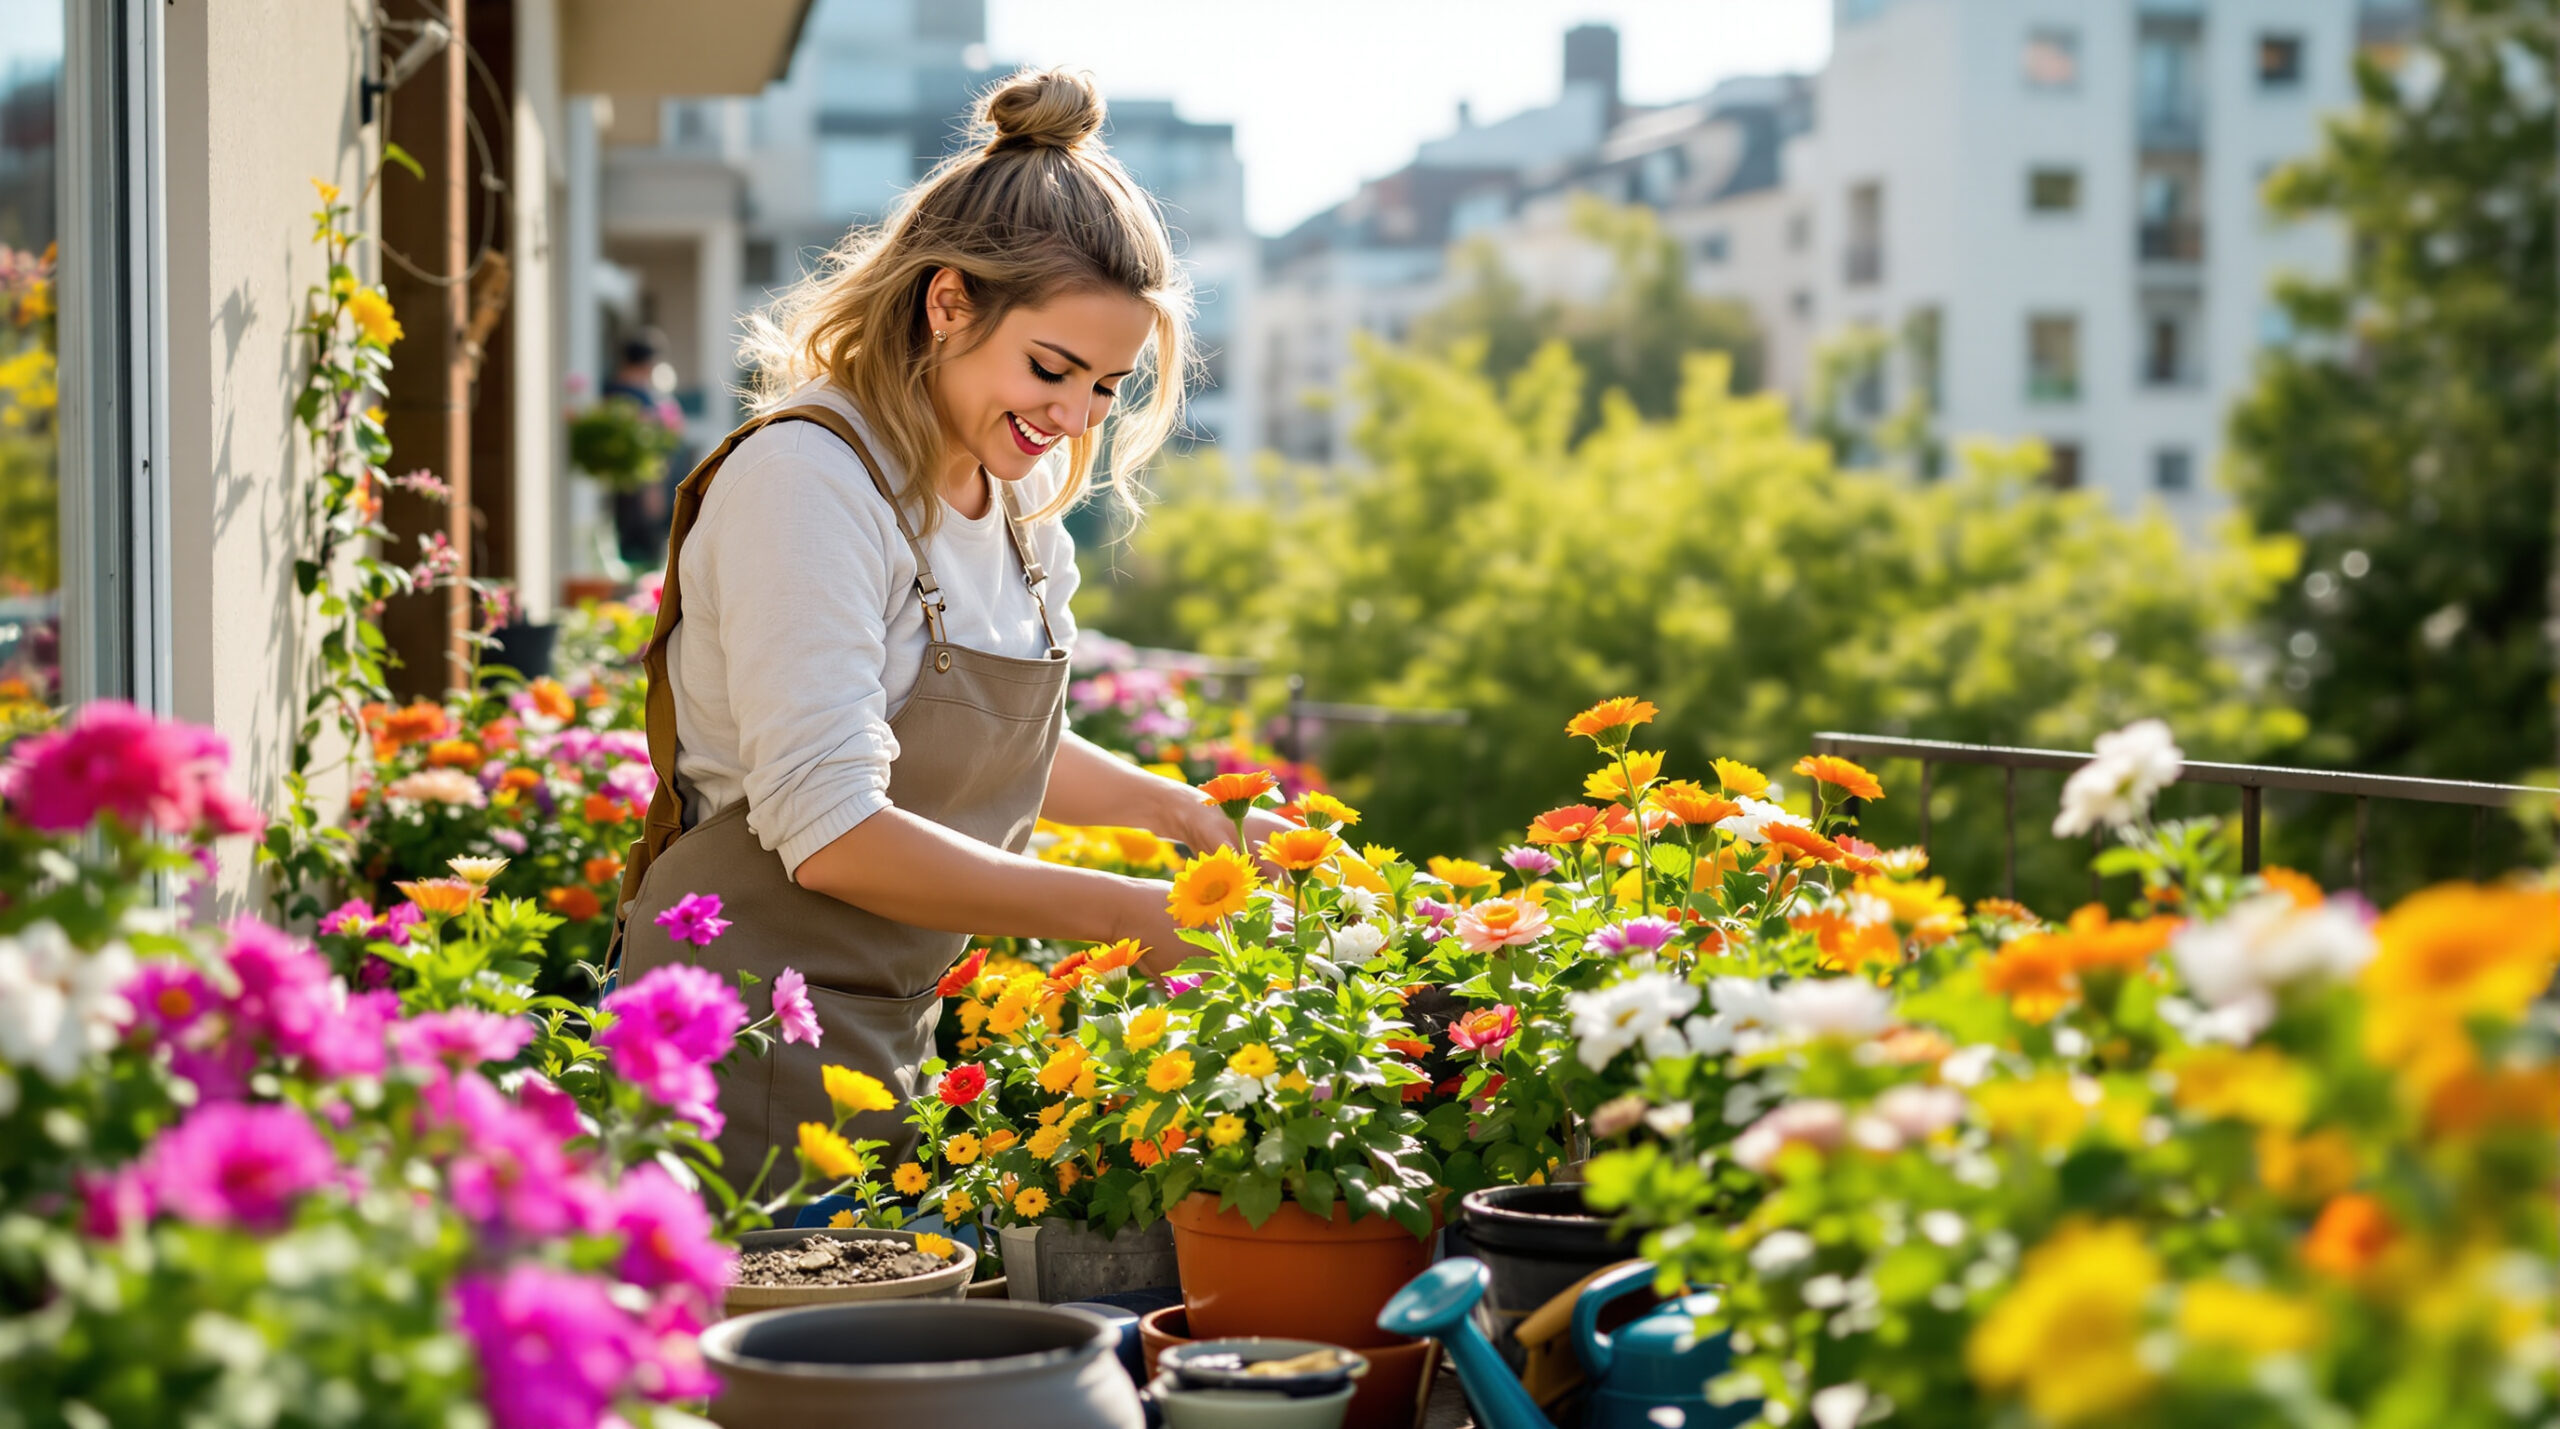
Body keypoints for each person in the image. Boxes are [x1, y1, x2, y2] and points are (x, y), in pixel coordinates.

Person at [609, 70, 1291, 1179]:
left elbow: (985, 733)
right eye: (1051, 369)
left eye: (1107, 387)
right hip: (734, 1039)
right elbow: (831, 830)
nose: (1072, 418)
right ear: (947, 304)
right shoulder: (806, 481)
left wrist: (1193, 822)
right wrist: (1140, 915)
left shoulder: (1008, 495)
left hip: (887, 1024)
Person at [603, 328, 691, 567]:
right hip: (641, 491)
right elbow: (647, 449)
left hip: (631, 490)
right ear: (648, 363)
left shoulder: (612, 391)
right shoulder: (635, 399)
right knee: (641, 553)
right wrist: (653, 489)